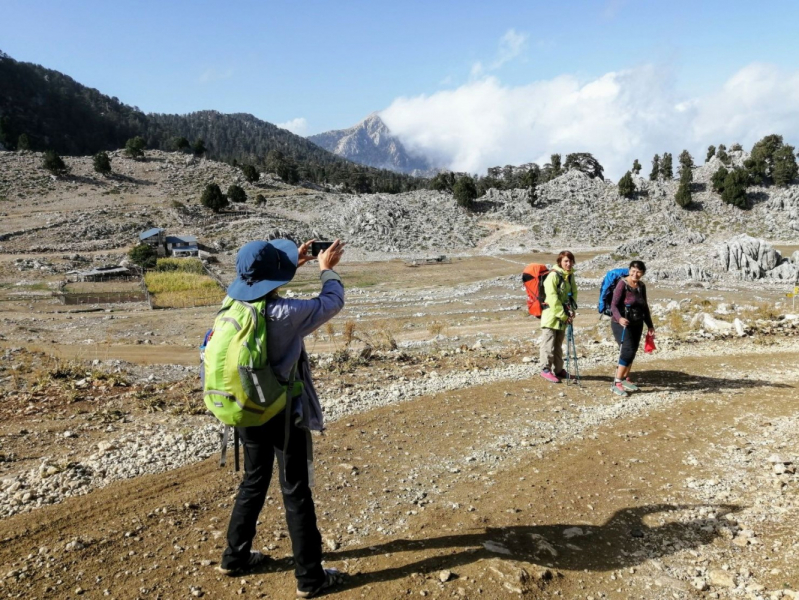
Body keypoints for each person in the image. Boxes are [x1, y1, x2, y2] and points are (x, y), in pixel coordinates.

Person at [218, 238, 346, 598]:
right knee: (295, 490)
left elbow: (261, 287)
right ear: (273, 277)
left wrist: (293, 262)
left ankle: (235, 557)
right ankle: (310, 579)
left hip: (244, 409)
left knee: (253, 481)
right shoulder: (286, 314)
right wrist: (327, 269)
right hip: (283, 413)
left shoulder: (231, 304)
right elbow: (332, 301)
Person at [610, 260, 655, 397]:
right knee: (627, 351)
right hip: (621, 324)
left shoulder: (641, 286)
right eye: (633, 271)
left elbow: (644, 306)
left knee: (633, 351)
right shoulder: (622, 284)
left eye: (638, 271)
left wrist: (650, 325)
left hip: (637, 323)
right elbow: (614, 305)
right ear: (629, 270)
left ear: (642, 273)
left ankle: (624, 378)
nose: (635, 274)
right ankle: (616, 382)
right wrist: (619, 318)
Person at [539, 251, 578, 383]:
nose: (568, 263)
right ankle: (545, 369)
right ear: (560, 262)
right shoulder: (553, 276)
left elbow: (573, 294)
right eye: (566, 261)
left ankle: (559, 370)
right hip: (551, 316)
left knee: (558, 344)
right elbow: (552, 298)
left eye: (570, 261)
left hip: (563, 317)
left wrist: (571, 311)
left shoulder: (570, 276)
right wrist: (563, 315)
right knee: (548, 344)